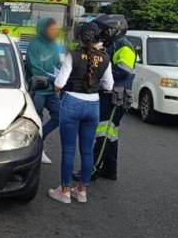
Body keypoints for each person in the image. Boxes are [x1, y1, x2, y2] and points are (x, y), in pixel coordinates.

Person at [48, 22, 113, 204]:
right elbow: (109, 86)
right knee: (87, 151)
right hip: (93, 106)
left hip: (72, 104)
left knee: (68, 150)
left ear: (80, 37)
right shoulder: (105, 58)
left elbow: (59, 83)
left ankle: (65, 191)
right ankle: (82, 191)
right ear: (97, 38)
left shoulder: (73, 55)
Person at [90, 14, 136, 181]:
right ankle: (110, 170)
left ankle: (92, 169)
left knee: (103, 133)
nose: (103, 33)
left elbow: (124, 70)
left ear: (115, 31)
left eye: (106, 30)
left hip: (115, 97)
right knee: (110, 134)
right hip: (109, 95)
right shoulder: (113, 44)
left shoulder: (124, 47)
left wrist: (101, 69)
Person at [26, 18, 62, 165]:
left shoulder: (55, 45)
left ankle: (40, 141)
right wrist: (53, 79)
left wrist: (60, 76)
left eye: (56, 29)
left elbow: (57, 63)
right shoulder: (33, 46)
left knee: (59, 116)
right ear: (43, 29)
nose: (55, 32)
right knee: (37, 120)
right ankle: (36, 150)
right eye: (52, 29)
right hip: (38, 90)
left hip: (51, 90)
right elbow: (34, 68)